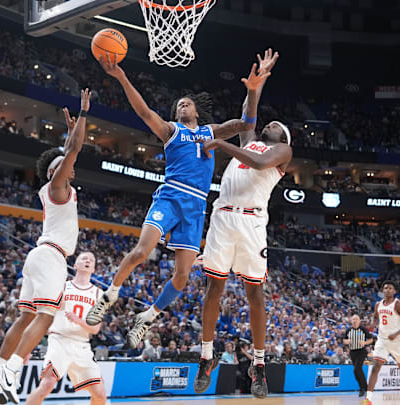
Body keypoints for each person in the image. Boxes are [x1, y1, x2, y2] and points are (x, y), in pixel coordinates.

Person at [86, 52, 271, 349]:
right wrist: (121, 77)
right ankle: (110, 295)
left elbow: (247, 121)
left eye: (187, 103)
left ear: (197, 111)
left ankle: (147, 317)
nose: (182, 105)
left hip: (196, 207)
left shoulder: (211, 132)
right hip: (170, 197)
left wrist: (252, 90)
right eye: (178, 105)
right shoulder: (172, 131)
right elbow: (145, 112)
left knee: (183, 277)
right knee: (141, 252)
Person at [0, 89, 91, 405]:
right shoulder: (57, 186)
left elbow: (73, 150)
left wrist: (71, 135)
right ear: (56, 170)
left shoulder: (57, 186)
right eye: (65, 162)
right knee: (47, 315)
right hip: (51, 257)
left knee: (26, 317)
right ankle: (11, 371)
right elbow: (74, 150)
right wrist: (83, 115)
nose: (71, 164)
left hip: (40, 256)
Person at [191, 49, 285, 398]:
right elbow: (249, 118)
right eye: (269, 124)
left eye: (277, 126)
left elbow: (258, 165)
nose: (270, 126)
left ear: (283, 139)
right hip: (222, 216)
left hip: (252, 225)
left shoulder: (280, 155)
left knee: (254, 294)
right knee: (212, 289)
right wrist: (255, 87)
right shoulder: (252, 140)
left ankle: (258, 364)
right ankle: (206, 354)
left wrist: (221, 145)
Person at [25, 252, 106, 405]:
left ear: (94, 269)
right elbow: (43, 317)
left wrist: (79, 321)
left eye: (91, 260)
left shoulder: (99, 294)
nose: (87, 260)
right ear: (75, 265)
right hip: (59, 340)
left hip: (82, 345)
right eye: (84, 258)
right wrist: (27, 348)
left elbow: (95, 329)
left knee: (100, 393)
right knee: (47, 385)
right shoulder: (62, 288)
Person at [343, 314, 374, 397]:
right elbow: (344, 340)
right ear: (351, 321)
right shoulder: (348, 330)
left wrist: (365, 342)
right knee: (356, 370)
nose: (354, 321)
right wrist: (347, 341)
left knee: (357, 368)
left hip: (361, 351)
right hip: (352, 352)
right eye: (353, 319)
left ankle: (362, 388)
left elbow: (371, 339)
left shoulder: (363, 329)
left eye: (356, 319)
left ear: (359, 321)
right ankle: (365, 386)